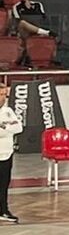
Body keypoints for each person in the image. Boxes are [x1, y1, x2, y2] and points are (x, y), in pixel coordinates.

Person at [0, 81, 23, 224]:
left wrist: (4, 127)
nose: (2, 97)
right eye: (0, 94)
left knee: (4, 184)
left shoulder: (8, 111)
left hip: (6, 153)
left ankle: (3, 210)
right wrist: (6, 128)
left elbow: (18, 127)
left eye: (4, 94)